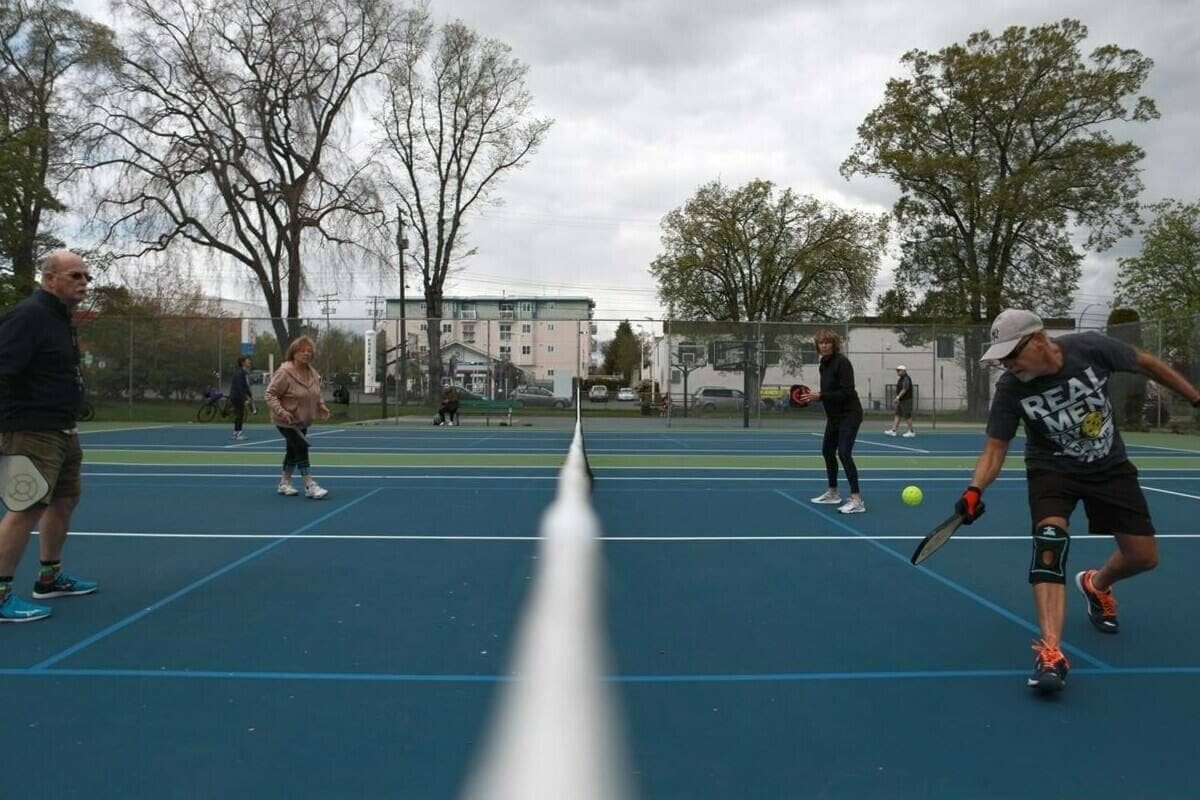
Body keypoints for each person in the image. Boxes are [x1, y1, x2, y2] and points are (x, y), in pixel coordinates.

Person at [957, 308, 1200, 693]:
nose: (1007, 363)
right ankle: (1050, 652)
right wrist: (975, 490)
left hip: (1110, 466)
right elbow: (995, 446)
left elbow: (1148, 364)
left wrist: (1196, 399)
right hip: (1052, 470)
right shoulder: (1011, 388)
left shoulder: (1090, 348)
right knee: (1049, 542)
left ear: (1038, 340)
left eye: (1012, 354)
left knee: (1143, 557)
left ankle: (1097, 584)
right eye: (1001, 357)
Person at [0, 250, 98, 623]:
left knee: (65, 499)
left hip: (61, 429)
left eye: (87, 277)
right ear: (49, 278)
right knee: (26, 506)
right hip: (29, 429)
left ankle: (49, 577)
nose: (83, 283)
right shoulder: (28, 317)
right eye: (75, 276)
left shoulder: (60, 320)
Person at [800, 329, 865, 514]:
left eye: (828, 342)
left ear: (834, 345)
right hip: (835, 416)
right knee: (827, 451)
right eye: (821, 343)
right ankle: (833, 493)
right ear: (818, 346)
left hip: (850, 414)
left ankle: (857, 500)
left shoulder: (842, 363)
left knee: (844, 453)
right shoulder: (823, 363)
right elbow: (829, 392)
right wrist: (819, 397)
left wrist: (820, 396)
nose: (824, 345)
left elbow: (847, 392)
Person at [265, 336, 331, 499]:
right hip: (286, 421)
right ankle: (310, 485)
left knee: (292, 451)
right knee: (301, 447)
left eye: (309, 351)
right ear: (293, 353)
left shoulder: (313, 373)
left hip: (303, 419)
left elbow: (315, 393)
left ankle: (284, 483)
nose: (307, 354)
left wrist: (321, 405)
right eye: (302, 351)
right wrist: (282, 412)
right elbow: (270, 394)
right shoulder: (284, 372)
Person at [886, 365, 916, 437]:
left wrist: (897, 397)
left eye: (899, 370)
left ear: (903, 371)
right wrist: (898, 399)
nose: (897, 372)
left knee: (907, 415)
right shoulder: (901, 379)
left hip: (906, 400)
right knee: (898, 414)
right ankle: (893, 430)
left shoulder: (906, 378)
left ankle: (911, 432)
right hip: (901, 400)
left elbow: (904, 389)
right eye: (897, 370)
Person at [229, 355, 254, 440]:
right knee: (240, 414)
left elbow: (245, 386)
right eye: (248, 360)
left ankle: (236, 432)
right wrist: (245, 398)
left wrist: (250, 395)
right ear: (243, 362)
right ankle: (239, 434)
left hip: (236, 396)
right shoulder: (240, 372)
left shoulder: (242, 372)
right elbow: (240, 387)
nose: (249, 362)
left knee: (239, 414)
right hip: (237, 396)